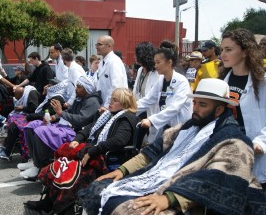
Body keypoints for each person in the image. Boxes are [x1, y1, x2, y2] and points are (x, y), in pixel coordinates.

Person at [79, 78, 266, 215]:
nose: (195, 108)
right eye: (194, 103)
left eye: (202, 104)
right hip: (156, 182)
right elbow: (151, 153)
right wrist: (122, 170)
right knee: (100, 186)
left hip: (188, 198)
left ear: (219, 109)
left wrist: (169, 198)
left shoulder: (234, 141)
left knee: (131, 211)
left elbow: (216, 180)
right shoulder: (187, 127)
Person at [24, 88, 138, 214]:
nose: (110, 102)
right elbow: (89, 128)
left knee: (69, 171)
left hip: (105, 160)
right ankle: (48, 201)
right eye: (111, 99)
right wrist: (77, 139)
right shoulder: (108, 115)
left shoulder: (127, 118)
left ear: (125, 103)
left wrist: (92, 152)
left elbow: (118, 141)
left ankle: (63, 207)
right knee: (61, 163)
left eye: (115, 100)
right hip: (91, 152)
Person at [18, 76, 101, 178]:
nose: (76, 89)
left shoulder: (92, 102)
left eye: (79, 87)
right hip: (63, 125)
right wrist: (54, 117)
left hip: (74, 131)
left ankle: (38, 166)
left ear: (87, 89)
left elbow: (80, 120)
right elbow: (68, 112)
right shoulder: (79, 99)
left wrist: (60, 113)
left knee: (41, 131)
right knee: (31, 126)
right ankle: (34, 159)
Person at [219, 28, 266, 190]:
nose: (223, 55)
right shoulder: (221, 82)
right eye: (222, 50)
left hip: (256, 156)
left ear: (245, 52)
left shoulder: (262, 82)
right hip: (228, 154)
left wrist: (260, 143)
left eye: (229, 50)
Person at [137, 40, 192, 139]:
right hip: (166, 127)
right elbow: (148, 99)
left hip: (180, 129)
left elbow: (175, 107)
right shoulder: (161, 79)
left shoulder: (181, 81)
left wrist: (151, 120)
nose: (155, 66)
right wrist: (130, 108)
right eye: (155, 63)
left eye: (158, 62)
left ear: (169, 62)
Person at [0, 85, 40, 161]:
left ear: (21, 94)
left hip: (36, 117)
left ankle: (8, 150)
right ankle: (8, 146)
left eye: (17, 96)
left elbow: (34, 109)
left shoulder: (32, 94)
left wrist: (23, 108)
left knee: (15, 126)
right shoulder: (27, 94)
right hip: (33, 116)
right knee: (12, 119)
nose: (16, 98)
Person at [132, 42, 159, 143]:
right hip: (139, 109)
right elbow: (136, 91)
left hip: (151, 109)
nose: (135, 56)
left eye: (137, 54)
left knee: (151, 138)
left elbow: (152, 96)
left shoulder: (156, 72)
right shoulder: (139, 70)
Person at [95, 35, 128, 112]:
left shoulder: (114, 62)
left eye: (99, 44)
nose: (97, 47)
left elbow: (116, 86)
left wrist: (107, 106)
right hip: (105, 105)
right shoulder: (101, 63)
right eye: (96, 45)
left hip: (115, 107)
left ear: (109, 46)